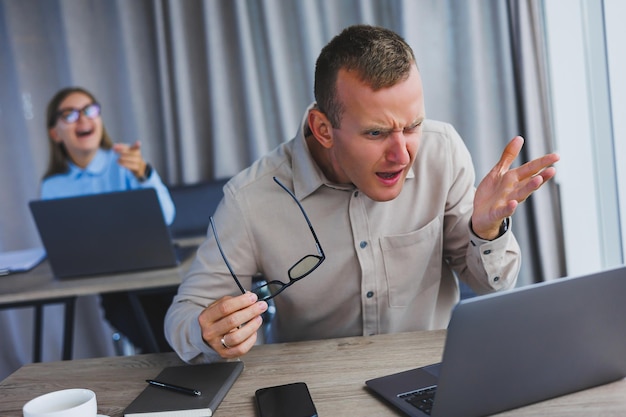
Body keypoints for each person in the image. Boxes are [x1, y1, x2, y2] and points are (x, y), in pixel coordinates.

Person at [164, 25, 559, 363]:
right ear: (322, 129)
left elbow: (493, 285)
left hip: (430, 372)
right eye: (376, 133)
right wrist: (208, 334)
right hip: (313, 386)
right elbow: (184, 316)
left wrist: (486, 230)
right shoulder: (251, 199)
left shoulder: (443, 151)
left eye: (412, 126)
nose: (402, 153)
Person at [42, 86, 176, 352]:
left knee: (180, 322)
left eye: (90, 110)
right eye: (70, 114)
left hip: (160, 276)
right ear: (55, 133)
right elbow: (61, 246)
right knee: (145, 331)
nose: (83, 118)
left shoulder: (126, 162)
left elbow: (166, 216)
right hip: (115, 289)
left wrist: (144, 174)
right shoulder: (52, 186)